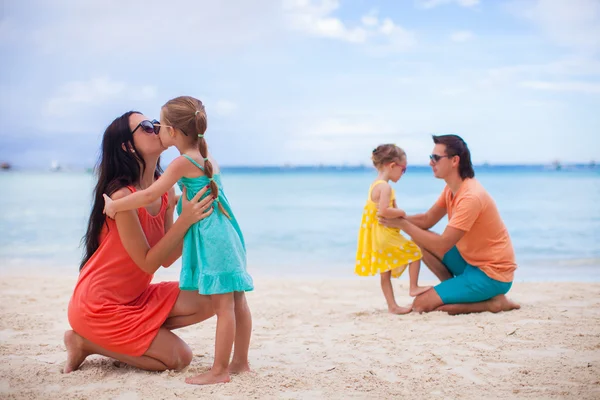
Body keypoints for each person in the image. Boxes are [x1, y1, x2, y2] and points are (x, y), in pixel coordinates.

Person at [103, 96, 254, 385]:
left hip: (212, 240)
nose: (156, 130)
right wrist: (175, 204)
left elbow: (148, 195)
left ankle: (220, 370)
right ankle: (240, 362)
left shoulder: (180, 162)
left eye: (158, 125)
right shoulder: (206, 159)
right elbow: (188, 193)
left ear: (172, 132)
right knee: (237, 301)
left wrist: (115, 206)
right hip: (229, 236)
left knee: (224, 306)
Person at [64, 111, 216, 374]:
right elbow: (147, 264)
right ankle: (84, 341)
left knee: (211, 297)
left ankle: (136, 334)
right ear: (127, 146)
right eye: (146, 127)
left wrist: (196, 219)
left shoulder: (164, 189)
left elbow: (166, 258)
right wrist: (185, 221)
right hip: (99, 306)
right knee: (180, 357)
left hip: (137, 298)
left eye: (155, 124)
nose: (156, 127)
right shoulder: (122, 198)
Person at [379, 135, 520, 315]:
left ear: (455, 161)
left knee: (421, 304)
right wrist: (390, 220)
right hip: (469, 263)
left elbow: (443, 244)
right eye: (431, 157)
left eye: (435, 158)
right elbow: (427, 220)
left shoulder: (471, 196)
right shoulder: (451, 188)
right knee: (418, 238)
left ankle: (494, 304)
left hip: (492, 275)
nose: (431, 162)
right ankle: (451, 287)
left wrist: (402, 224)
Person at [356, 144, 431, 315]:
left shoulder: (375, 185)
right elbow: (383, 211)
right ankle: (413, 287)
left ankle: (392, 306)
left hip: (378, 236)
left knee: (385, 273)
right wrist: (401, 212)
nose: (403, 174)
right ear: (392, 166)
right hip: (385, 234)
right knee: (415, 252)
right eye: (403, 170)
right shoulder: (385, 187)